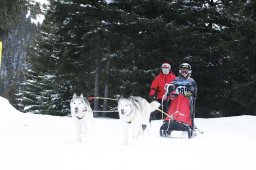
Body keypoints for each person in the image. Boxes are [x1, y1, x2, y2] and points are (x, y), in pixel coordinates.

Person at [164, 63, 197, 127]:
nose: (184, 73)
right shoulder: (176, 80)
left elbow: (194, 93)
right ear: (180, 72)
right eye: (182, 71)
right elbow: (171, 87)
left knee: (182, 97)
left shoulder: (191, 81)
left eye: (186, 71)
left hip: (187, 100)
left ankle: (184, 120)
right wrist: (171, 90)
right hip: (176, 99)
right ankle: (170, 119)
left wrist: (189, 91)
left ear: (189, 72)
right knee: (174, 99)